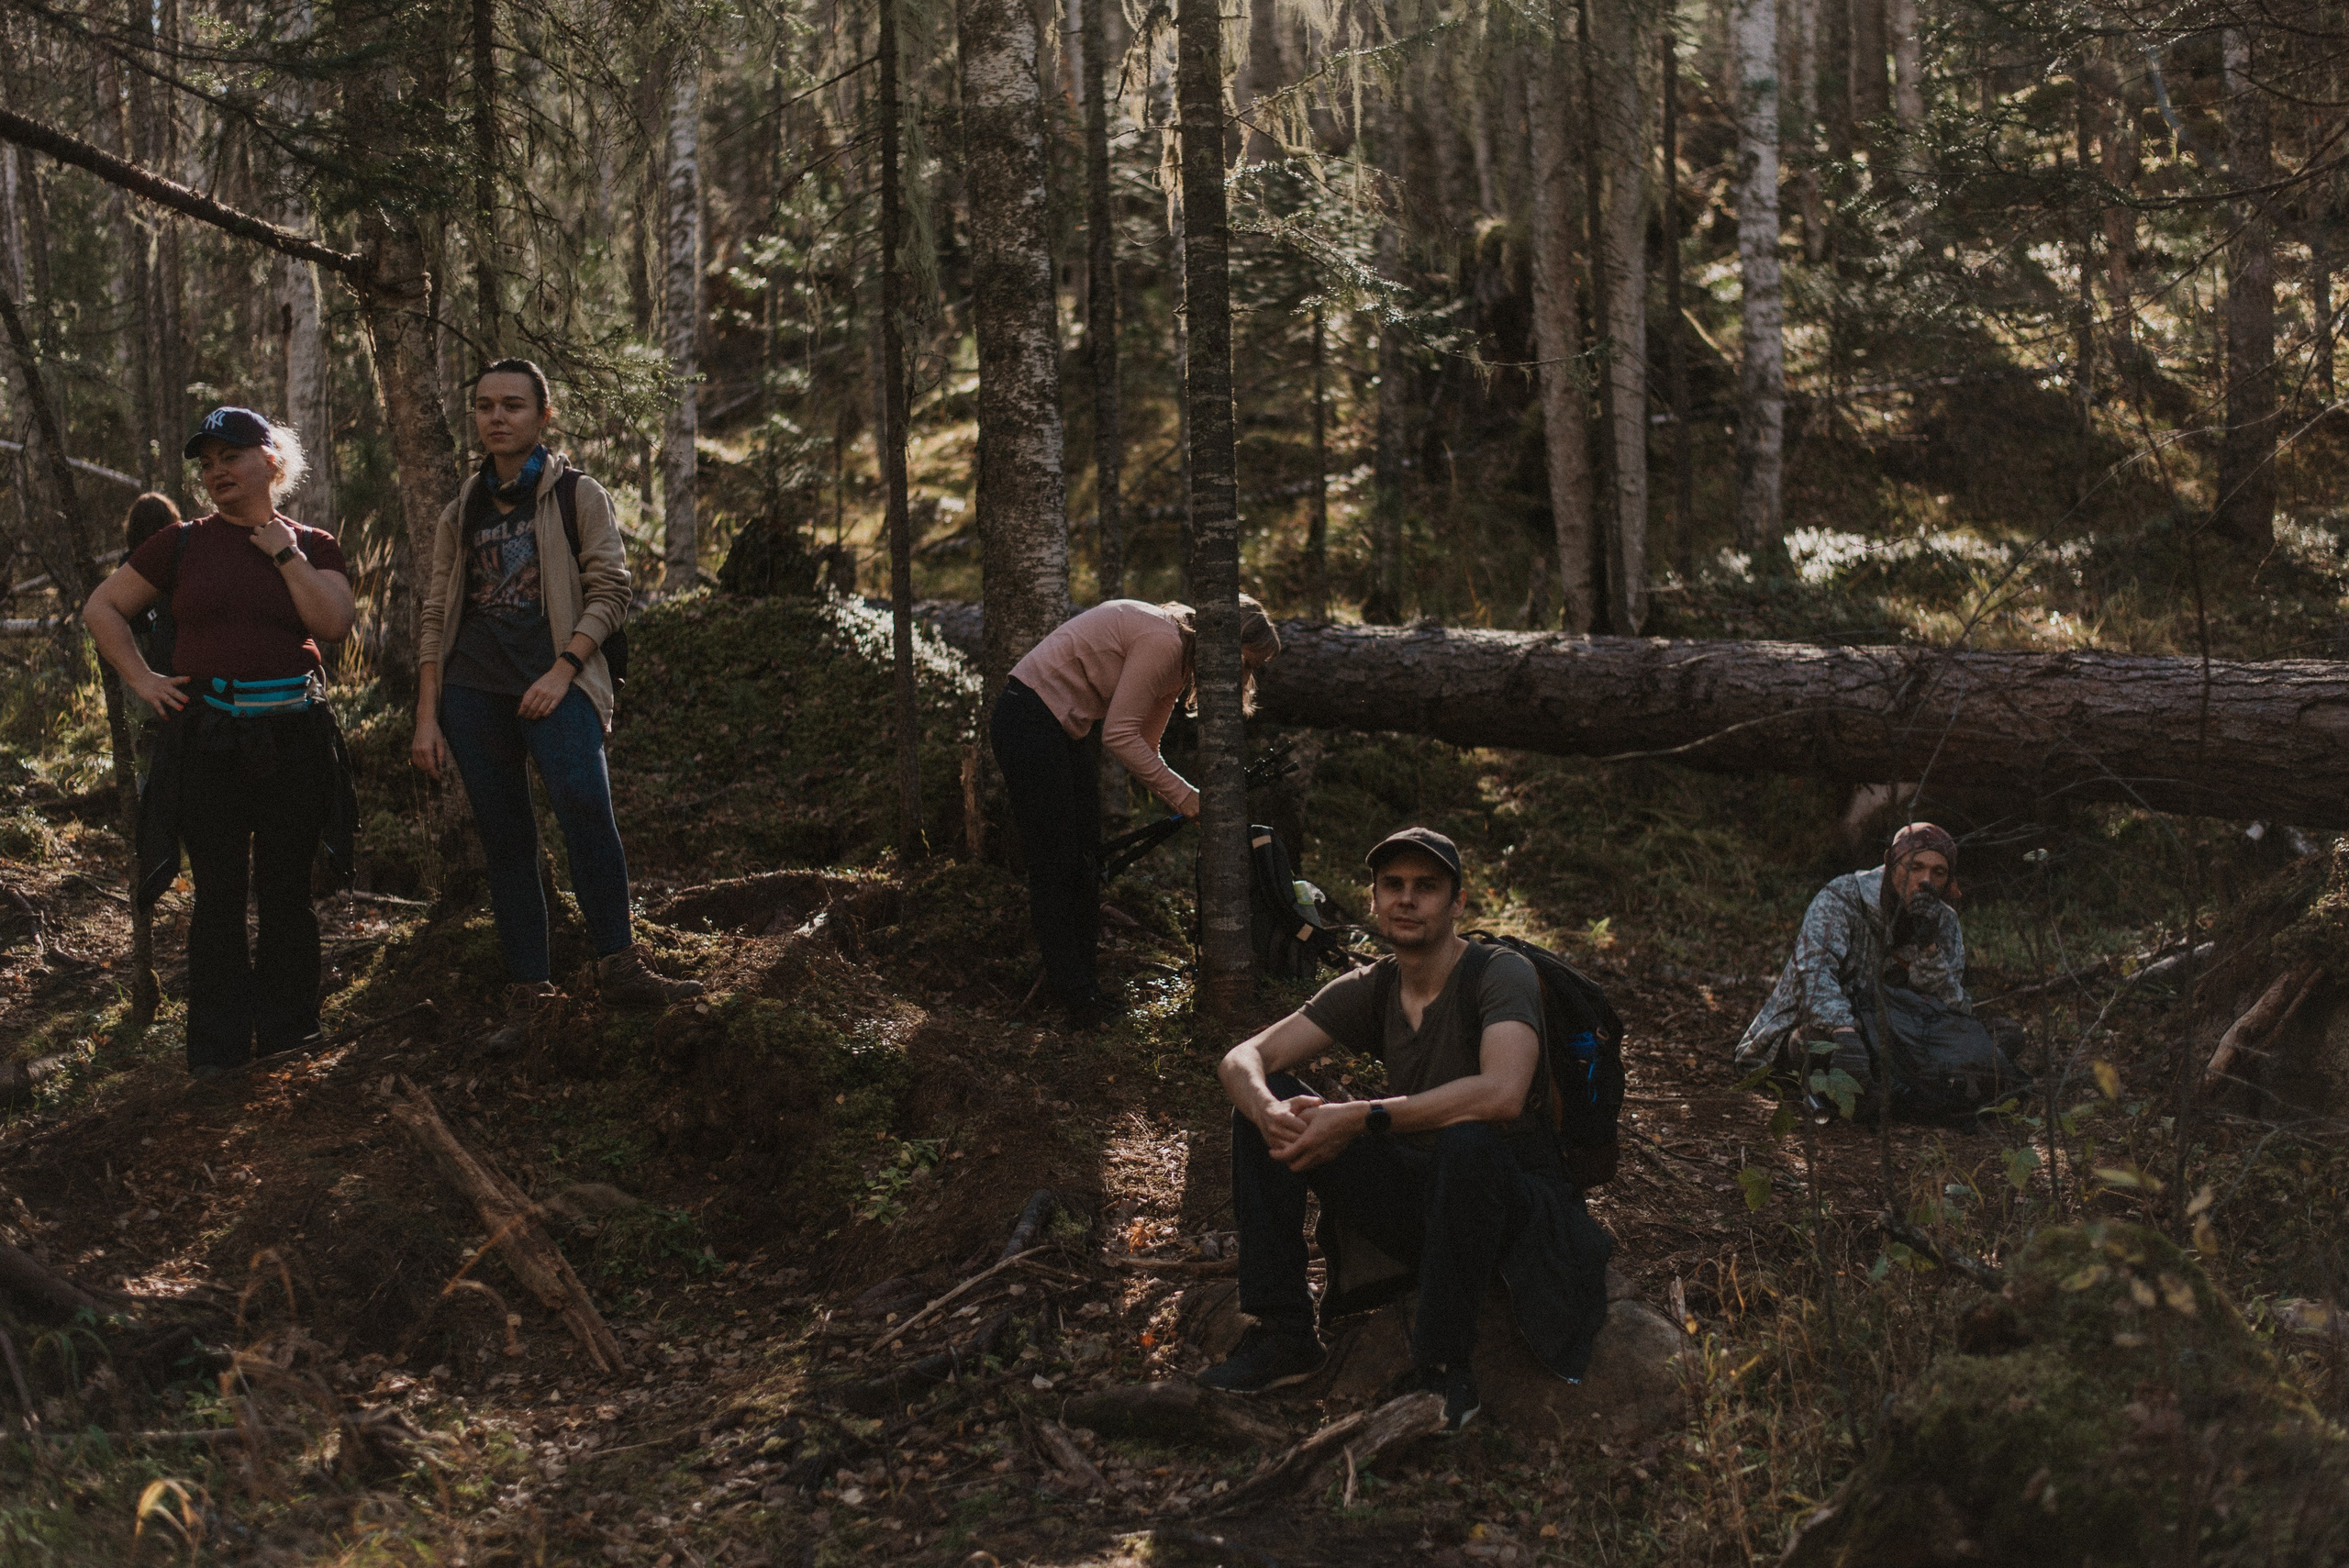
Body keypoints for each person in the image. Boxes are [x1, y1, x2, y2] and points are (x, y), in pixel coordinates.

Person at [1203, 827, 1613, 1430]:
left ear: (1457, 902)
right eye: (1392, 885)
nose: (1406, 899)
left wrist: (1362, 1117)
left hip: (1511, 1207)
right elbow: (1243, 1058)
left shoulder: (1501, 974)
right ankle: (1284, 1334)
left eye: (1426, 886)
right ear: (1373, 899)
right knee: (1269, 1109)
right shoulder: (1377, 985)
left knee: (1467, 1141)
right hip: (1425, 1203)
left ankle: (1444, 1370)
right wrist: (1267, 1108)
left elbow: (1501, 1093)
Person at [410, 359, 700, 1052]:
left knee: (585, 810)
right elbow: (436, 613)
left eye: (512, 405)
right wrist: (427, 715)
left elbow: (612, 591)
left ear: (544, 415)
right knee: (506, 841)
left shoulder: (577, 494)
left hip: (559, 686)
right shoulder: (462, 509)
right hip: (474, 693)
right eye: (485, 405)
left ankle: (620, 966)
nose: (496, 417)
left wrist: (564, 669)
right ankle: (530, 995)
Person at [84, 408, 360, 1079]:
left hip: (295, 738)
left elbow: (333, 622)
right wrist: (144, 680)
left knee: (287, 891)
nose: (215, 472)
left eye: (230, 457)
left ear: (271, 460)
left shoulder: (313, 543)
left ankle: (290, 1037)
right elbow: (102, 608)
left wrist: (284, 553)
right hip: (208, 741)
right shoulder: (180, 543)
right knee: (218, 896)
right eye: (206, 463)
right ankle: (218, 1055)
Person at [991, 596, 1282, 1028]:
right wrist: (1184, 797)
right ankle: (1075, 998)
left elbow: (1145, 744)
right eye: (1246, 661)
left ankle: (1083, 990)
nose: (1245, 675)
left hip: (1060, 729)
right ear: (1224, 643)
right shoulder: (1164, 643)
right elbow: (1119, 736)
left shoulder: (1179, 660)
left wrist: (1189, 799)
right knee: (1057, 865)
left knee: (1087, 862)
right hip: (1028, 719)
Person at [1731, 821, 1969, 1094]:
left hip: (1897, 1038)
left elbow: (1953, 1010)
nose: (1926, 881)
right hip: (1823, 1027)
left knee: (1989, 1045)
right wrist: (1843, 1029)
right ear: (1891, 864)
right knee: (1812, 1043)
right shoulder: (1843, 896)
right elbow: (1811, 973)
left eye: (1938, 872)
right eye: (1915, 867)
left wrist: (1928, 950)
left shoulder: (1944, 921)